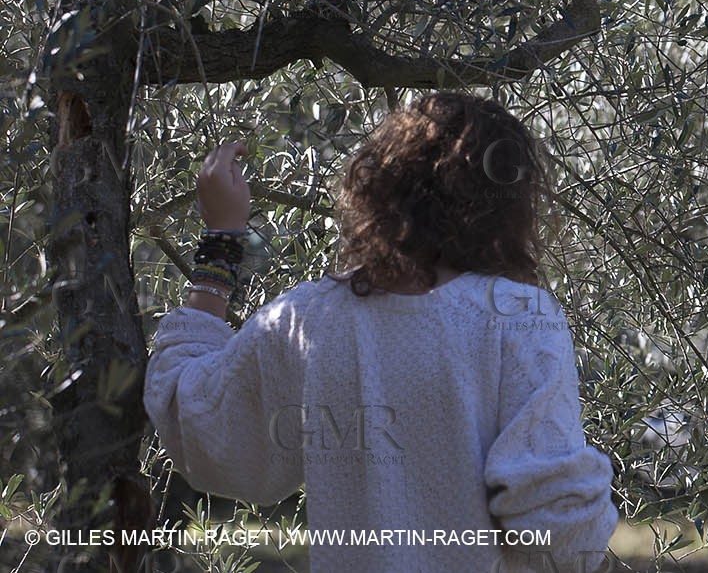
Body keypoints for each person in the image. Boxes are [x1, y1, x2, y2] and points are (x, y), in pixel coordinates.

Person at [144, 91, 618, 573]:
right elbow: (557, 527)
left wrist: (221, 242)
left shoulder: (309, 319)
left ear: (378, 188)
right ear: (507, 205)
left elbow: (201, 428)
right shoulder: (516, 316)